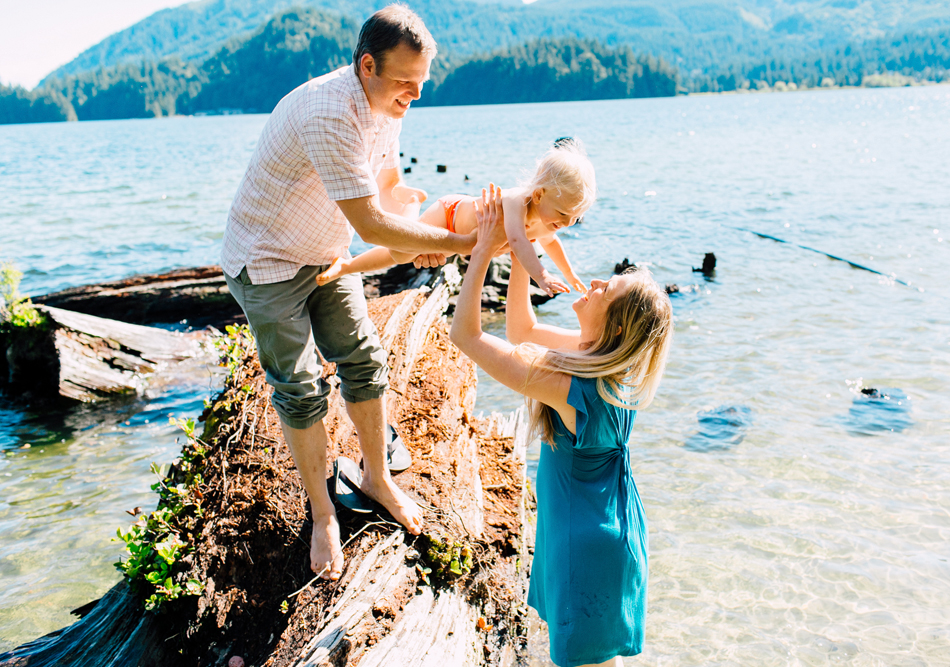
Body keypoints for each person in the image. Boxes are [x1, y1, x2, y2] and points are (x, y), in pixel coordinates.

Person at [220, 6, 476, 581]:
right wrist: (455, 242)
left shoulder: (388, 103)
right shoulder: (329, 111)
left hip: (326, 253)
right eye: (406, 81)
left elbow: (384, 187)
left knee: (364, 358)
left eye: (422, 82)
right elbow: (372, 225)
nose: (416, 94)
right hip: (266, 261)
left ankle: (377, 478)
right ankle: (322, 515)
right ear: (367, 66)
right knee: (300, 388)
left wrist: (417, 217)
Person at [450, 186, 673, 667]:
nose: (594, 282)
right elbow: (522, 333)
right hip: (604, 529)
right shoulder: (606, 365)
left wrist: (483, 251)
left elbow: (465, 335)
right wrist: (520, 252)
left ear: (615, 325)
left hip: (585, 546)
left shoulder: (573, 384)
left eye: (606, 290)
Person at [316, 142, 596, 295]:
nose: (567, 223)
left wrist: (570, 274)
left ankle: (346, 267)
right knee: (401, 253)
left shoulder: (546, 222)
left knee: (401, 255)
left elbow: (551, 243)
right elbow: (517, 240)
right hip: (448, 214)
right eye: (563, 213)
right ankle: (411, 202)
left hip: (457, 243)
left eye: (576, 217)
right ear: (539, 194)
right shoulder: (516, 200)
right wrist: (542, 276)